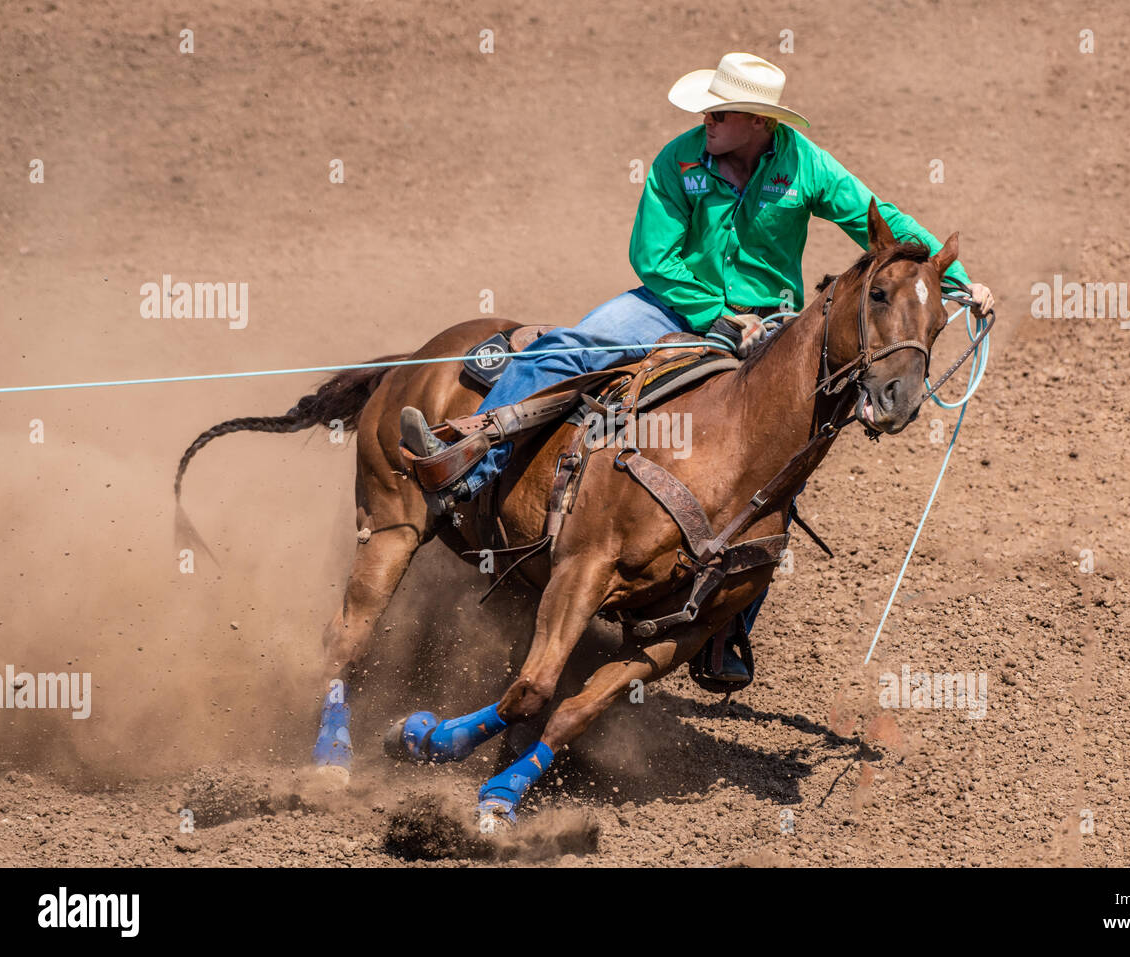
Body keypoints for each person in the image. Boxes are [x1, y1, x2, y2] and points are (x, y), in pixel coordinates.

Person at [403, 52, 993, 684]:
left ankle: (725, 623)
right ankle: (469, 462)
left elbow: (884, 225)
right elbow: (652, 254)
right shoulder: (678, 160)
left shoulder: (805, 165)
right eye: (707, 109)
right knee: (569, 347)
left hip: (769, 321)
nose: (705, 118)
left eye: (721, 111)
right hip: (671, 302)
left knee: (778, 465)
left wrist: (955, 281)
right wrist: (713, 311)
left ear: (760, 123)